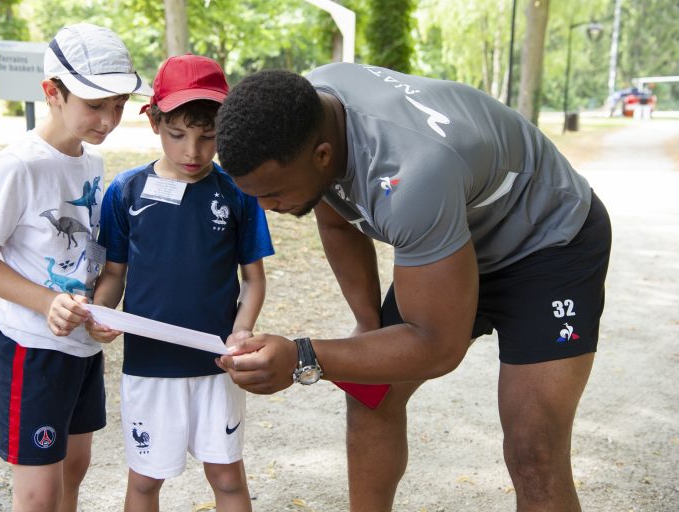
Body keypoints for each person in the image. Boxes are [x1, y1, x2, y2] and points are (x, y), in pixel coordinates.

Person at [214, 63, 611, 512]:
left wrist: (304, 356)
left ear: (322, 154)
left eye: (273, 195)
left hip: (548, 243)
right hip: (449, 234)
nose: (267, 208)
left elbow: (439, 346)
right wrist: (367, 324)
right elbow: (336, 215)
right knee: (370, 394)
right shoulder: (310, 110)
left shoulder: (413, 174)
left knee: (533, 450)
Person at [0, 23, 152, 512]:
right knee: (39, 494)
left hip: (80, 346)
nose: (109, 119)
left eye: (119, 104)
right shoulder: (19, 164)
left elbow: (96, 260)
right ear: (52, 92)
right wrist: (49, 303)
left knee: (75, 468)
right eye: (95, 104)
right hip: (31, 346)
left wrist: (102, 311)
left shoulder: (90, 163)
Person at [86, 54, 274, 512]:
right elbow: (114, 273)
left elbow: (253, 279)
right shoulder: (125, 191)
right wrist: (102, 316)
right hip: (150, 367)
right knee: (146, 482)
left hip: (217, 364)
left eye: (208, 136)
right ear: (153, 122)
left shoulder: (237, 193)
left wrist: (242, 330)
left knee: (228, 478)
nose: (193, 151)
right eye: (178, 135)